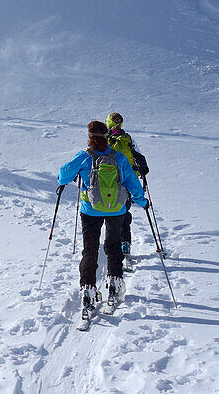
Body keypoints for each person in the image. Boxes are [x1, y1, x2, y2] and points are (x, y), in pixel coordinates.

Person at [58, 120, 147, 315]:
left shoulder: (84, 156)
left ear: (89, 137)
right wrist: (142, 201)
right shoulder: (119, 157)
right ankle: (114, 286)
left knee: (90, 250)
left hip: (90, 210)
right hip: (117, 209)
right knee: (113, 246)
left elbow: (63, 176)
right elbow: (132, 182)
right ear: (106, 136)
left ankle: (88, 292)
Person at [106, 111, 150, 265]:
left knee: (110, 212)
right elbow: (140, 157)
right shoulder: (128, 139)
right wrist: (142, 172)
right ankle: (125, 242)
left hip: (108, 181)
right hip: (127, 180)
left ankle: (111, 245)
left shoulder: (104, 139)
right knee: (125, 211)